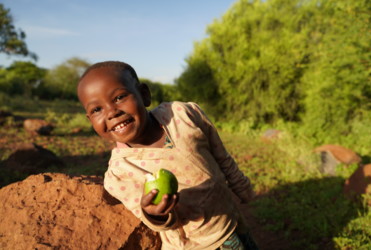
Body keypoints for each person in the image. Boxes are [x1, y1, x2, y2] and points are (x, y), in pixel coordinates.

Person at [77, 61, 258, 250]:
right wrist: (156, 213)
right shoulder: (119, 174)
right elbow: (160, 223)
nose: (112, 112)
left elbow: (220, 155)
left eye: (120, 97)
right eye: (97, 109)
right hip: (196, 245)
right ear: (90, 120)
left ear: (144, 95)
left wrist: (241, 185)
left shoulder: (182, 115)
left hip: (232, 219)